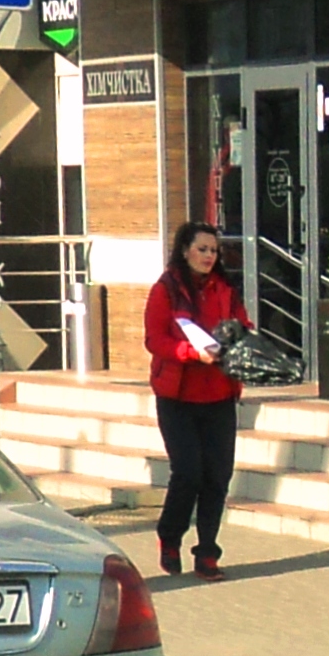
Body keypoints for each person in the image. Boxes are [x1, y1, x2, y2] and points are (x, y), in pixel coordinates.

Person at [145, 221, 251, 582]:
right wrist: (189, 352)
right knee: (188, 471)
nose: (209, 256)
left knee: (218, 475)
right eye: (202, 249)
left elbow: (242, 324)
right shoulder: (166, 289)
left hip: (219, 394)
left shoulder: (225, 289)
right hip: (177, 396)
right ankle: (170, 537)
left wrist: (238, 339)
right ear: (185, 249)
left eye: (214, 251)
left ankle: (207, 551)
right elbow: (154, 339)